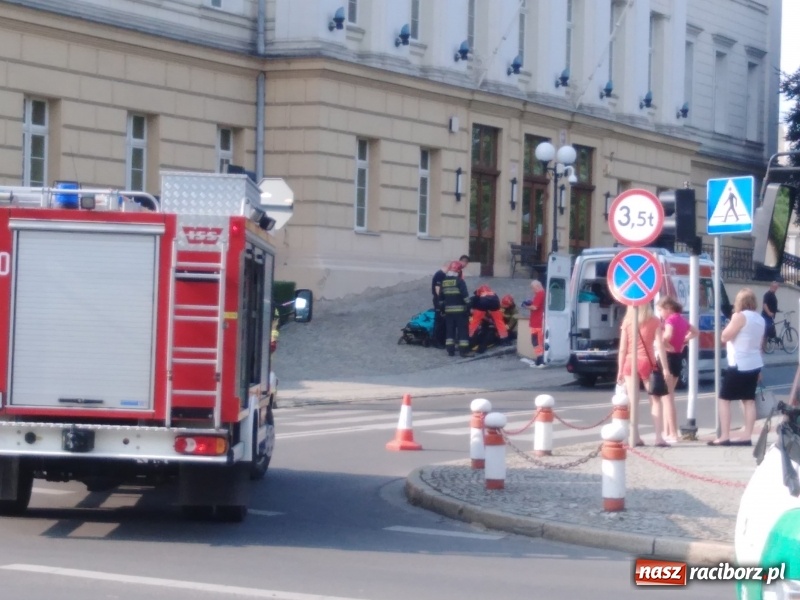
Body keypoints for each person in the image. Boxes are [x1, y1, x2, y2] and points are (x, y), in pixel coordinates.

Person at [708, 287, 765, 447]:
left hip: (739, 363)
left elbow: (725, 336)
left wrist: (725, 329)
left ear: (739, 302)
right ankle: (747, 436)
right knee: (748, 400)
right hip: (754, 363)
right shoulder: (759, 319)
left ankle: (725, 436)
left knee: (724, 399)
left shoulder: (739, 317)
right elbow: (760, 344)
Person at [616, 302, 668, 447]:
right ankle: (659, 437)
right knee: (655, 400)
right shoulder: (654, 321)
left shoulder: (627, 322)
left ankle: (635, 436)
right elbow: (659, 345)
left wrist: (620, 370)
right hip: (648, 362)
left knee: (633, 401)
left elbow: (622, 349)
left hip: (629, 362)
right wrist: (664, 368)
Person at [655, 296, 698, 444]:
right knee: (669, 395)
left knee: (667, 398)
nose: (659, 313)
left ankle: (672, 433)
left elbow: (667, 336)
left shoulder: (670, 321)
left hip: (668, 357)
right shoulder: (682, 319)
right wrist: (684, 340)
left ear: (668, 308)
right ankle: (667, 431)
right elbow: (695, 332)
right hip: (678, 357)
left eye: (660, 310)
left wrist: (661, 342)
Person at [430, 255, 470, 348]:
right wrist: (468, 305)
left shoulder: (446, 279)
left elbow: (442, 293)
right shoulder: (441, 275)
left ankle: (446, 345)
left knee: (448, 327)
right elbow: (438, 290)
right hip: (451, 306)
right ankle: (438, 342)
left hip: (447, 306)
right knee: (441, 323)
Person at [439, 260, 473, 357]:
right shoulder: (459, 281)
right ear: (458, 271)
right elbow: (465, 297)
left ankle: (450, 351)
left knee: (450, 331)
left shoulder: (444, 281)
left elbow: (441, 299)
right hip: (460, 312)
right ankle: (463, 351)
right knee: (462, 332)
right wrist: (470, 306)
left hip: (448, 312)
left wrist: (442, 309)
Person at [521, 280, 546, 367]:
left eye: (533, 288)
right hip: (537, 322)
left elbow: (535, 307)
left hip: (537, 323)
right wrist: (530, 303)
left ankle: (541, 360)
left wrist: (526, 306)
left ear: (537, 286)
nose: (532, 290)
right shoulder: (541, 294)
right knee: (536, 341)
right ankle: (539, 360)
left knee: (536, 342)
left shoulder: (540, 294)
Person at [762, 280, 779, 347]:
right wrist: (769, 312)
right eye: (775, 287)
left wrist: (776, 310)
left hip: (770, 316)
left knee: (768, 332)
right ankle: (763, 347)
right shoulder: (767, 294)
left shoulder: (773, 295)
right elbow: (765, 305)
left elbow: (772, 305)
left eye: (777, 287)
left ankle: (764, 347)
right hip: (766, 316)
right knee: (766, 331)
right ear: (772, 286)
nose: (776, 289)